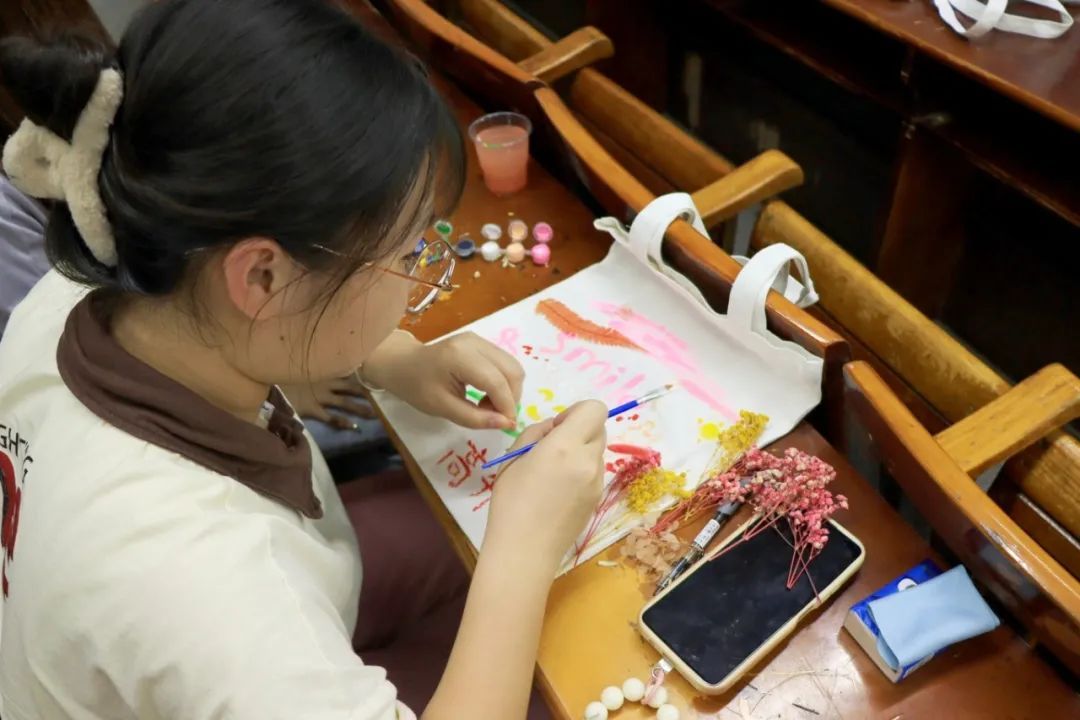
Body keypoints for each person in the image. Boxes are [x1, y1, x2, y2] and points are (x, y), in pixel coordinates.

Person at [0, 2, 607, 719]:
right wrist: (522, 551)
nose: (417, 277)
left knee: (463, 549)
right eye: (408, 253)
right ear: (263, 276)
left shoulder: (91, 282)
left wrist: (389, 358)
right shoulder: (205, 595)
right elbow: (233, 629)